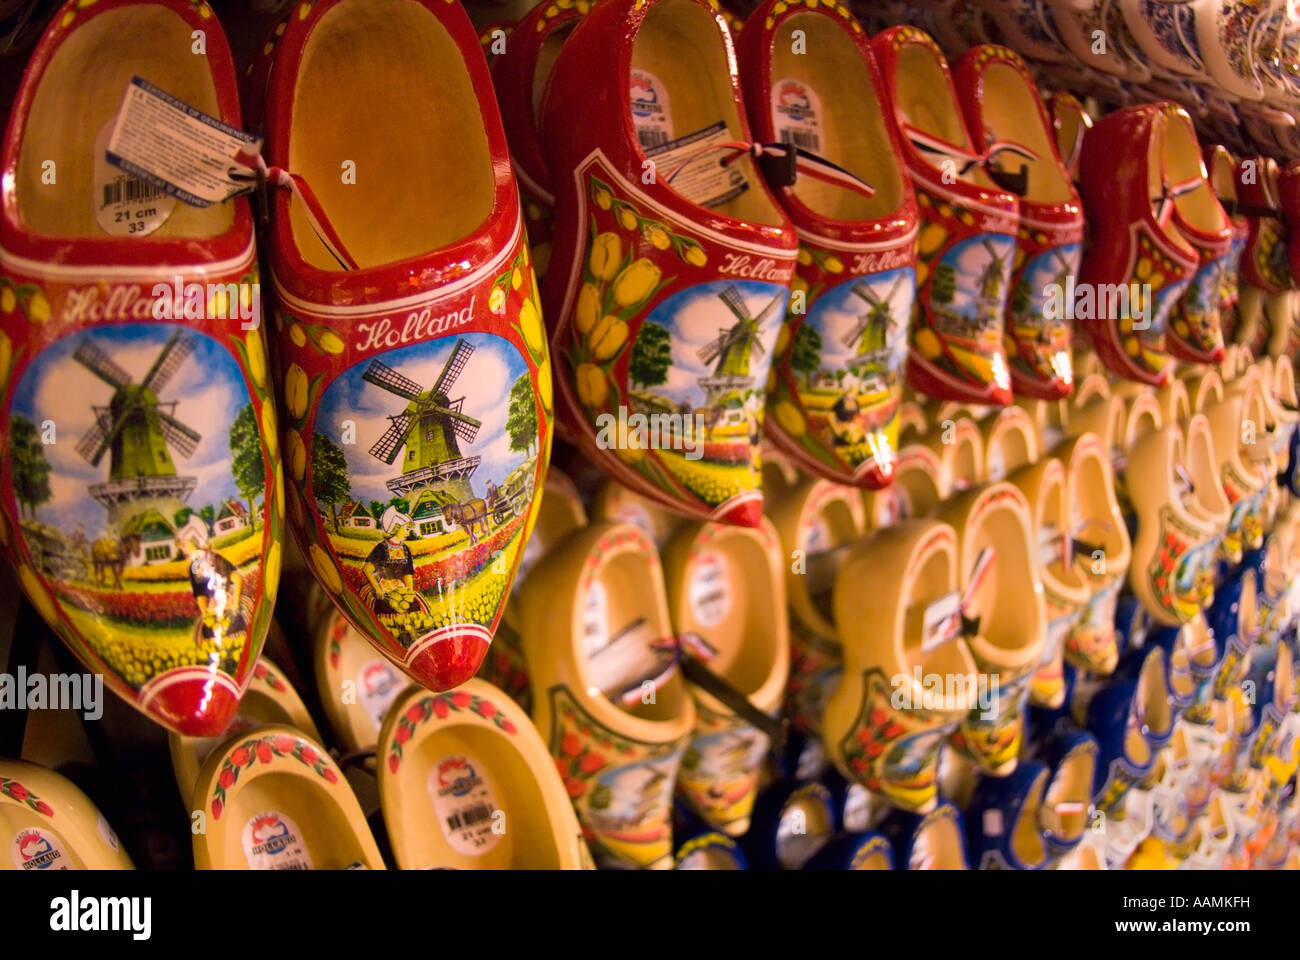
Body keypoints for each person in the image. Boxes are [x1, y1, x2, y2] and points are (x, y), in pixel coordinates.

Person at [174, 516, 249, 643]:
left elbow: (237, 579)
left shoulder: (214, 559)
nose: (183, 550)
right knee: (206, 634)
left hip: (228, 607)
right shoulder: (194, 567)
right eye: (182, 546)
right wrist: (206, 614)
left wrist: (234, 605)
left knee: (234, 628)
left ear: (194, 542)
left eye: (184, 545)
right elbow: (200, 595)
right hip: (214, 612)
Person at [360, 507, 429, 624]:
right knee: (383, 606)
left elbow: (407, 573)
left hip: (400, 586)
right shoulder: (382, 547)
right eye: (406, 529)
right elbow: (367, 569)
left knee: (416, 604)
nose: (408, 532)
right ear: (396, 528)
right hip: (382, 585)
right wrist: (377, 588)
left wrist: (409, 591)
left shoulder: (405, 549)